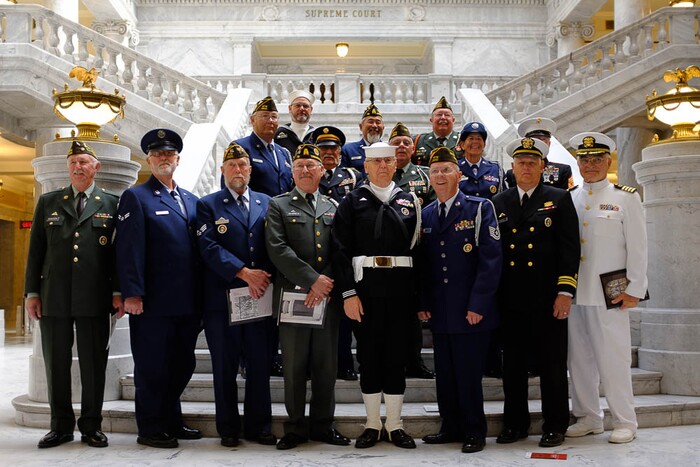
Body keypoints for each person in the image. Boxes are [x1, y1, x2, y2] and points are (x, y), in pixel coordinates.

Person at [25, 140, 122, 449]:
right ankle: (60, 426)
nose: (77, 167)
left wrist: (118, 291)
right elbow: (36, 251)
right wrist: (31, 292)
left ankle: (91, 426)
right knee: (56, 363)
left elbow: (119, 255)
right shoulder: (49, 201)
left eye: (83, 162)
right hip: (54, 296)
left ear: (96, 167)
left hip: (96, 297)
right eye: (73, 163)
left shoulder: (111, 203)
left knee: (94, 364)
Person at [116, 128, 202, 449]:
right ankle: (151, 428)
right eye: (158, 154)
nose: (164, 158)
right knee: (153, 367)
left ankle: (171, 418)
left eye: (169, 154)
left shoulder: (192, 200)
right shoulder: (136, 197)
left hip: (188, 303)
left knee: (183, 364)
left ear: (178, 159)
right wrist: (132, 293)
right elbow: (128, 249)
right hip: (152, 302)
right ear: (149, 160)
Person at [492, 136, 580, 448]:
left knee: (552, 365)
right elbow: (493, 252)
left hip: (547, 296)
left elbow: (569, 250)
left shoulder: (558, 198)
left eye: (532, 162)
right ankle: (515, 424)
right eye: (521, 162)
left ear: (542, 167)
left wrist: (565, 292)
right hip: (511, 297)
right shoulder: (498, 202)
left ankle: (555, 424)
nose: (526, 167)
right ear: (512, 167)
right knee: (512, 365)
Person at [333, 141, 420, 450]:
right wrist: (348, 294)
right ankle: (371, 424)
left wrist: (418, 298)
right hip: (365, 289)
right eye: (376, 162)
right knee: (369, 357)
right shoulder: (352, 201)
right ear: (365, 167)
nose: (383, 166)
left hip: (400, 290)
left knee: (397, 356)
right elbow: (340, 251)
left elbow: (418, 251)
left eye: (388, 160)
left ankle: (395, 425)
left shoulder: (410, 201)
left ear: (395, 164)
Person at [265, 143, 351, 450]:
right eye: (299, 165)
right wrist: (313, 280)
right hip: (294, 298)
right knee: (294, 367)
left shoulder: (333, 206)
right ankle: (295, 428)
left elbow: (340, 248)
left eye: (310, 166)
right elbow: (277, 248)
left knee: (326, 367)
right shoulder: (278, 205)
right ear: (292, 171)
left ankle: (323, 426)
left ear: (321, 171)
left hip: (326, 300)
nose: (304, 170)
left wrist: (325, 283)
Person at [418, 147, 502, 453]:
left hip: (470, 310)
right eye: (435, 171)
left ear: (460, 174)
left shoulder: (479, 208)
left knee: (468, 374)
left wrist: (478, 305)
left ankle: (474, 430)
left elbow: (491, 261)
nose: (440, 176)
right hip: (441, 311)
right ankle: (450, 426)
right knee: (446, 374)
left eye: (446, 170)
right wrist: (423, 301)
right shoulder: (426, 213)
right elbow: (424, 264)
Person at [565, 132, 647, 444]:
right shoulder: (570, 197)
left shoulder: (626, 197)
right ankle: (588, 416)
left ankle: (625, 420)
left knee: (614, 359)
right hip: (576, 293)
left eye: (597, 159)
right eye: (585, 159)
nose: (590, 164)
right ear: (578, 162)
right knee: (579, 359)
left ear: (608, 161)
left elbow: (638, 247)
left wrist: (635, 288)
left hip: (611, 292)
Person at [195, 142, 277, 448]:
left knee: (259, 366)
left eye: (243, 166)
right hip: (222, 302)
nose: (238, 171)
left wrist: (263, 277)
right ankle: (228, 428)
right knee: (225, 369)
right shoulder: (208, 205)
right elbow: (208, 247)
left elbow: (274, 245)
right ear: (222, 171)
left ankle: (260, 426)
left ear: (250, 170)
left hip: (259, 298)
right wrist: (244, 273)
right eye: (232, 166)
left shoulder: (267, 202)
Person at [312, 125, 363, 381]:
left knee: (345, 314)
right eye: (323, 149)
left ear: (340, 151)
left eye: (332, 148)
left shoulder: (353, 176)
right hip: (316, 253)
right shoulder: (309, 174)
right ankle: (316, 365)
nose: (328, 153)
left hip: (344, 251)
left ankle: (344, 363)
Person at [388, 122, 435, 380]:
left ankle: (415, 362)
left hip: (417, 249)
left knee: (414, 311)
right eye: (396, 143)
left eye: (406, 142)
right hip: (388, 252)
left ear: (413, 147)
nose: (402, 146)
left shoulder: (425, 174)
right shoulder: (382, 173)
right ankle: (393, 361)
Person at [235, 96, 293, 197]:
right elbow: (233, 188)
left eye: (274, 117)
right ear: (253, 120)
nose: (270, 120)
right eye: (265, 116)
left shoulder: (283, 152)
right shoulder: (241, 148)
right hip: (256, 211)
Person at [504, 117, 574, 190]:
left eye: (543, 139)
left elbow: (568, 197)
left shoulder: (563, 170)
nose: (539, 143)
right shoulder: (512, 173)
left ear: (549, 144)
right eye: (535, 140)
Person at [456, 122, 504, 199]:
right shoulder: (454, 168)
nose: (475, 142)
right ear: (462, 145)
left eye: (479, 138)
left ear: (484, 145)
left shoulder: (496, 169)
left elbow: (502, 198)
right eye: (471, 138)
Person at [413, 96, 463, 166]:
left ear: (453, 120)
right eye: (439, 115)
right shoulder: (418, 141)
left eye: (447, 115)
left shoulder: (462, 140)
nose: (443, 117)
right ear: (431, 120)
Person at [341, 103, 384, 174]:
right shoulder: (348, 150)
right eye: (370, 122)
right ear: (361, 127)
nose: (374, 125)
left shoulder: (388, 150)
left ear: (383, 127)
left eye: (378, 122)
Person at [274, 89, 315, 156]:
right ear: (290, 109)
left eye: (305, 106)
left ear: (311, 110)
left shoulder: (316, 135)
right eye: (297, 105)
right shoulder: (278, 134)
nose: (302, 108)